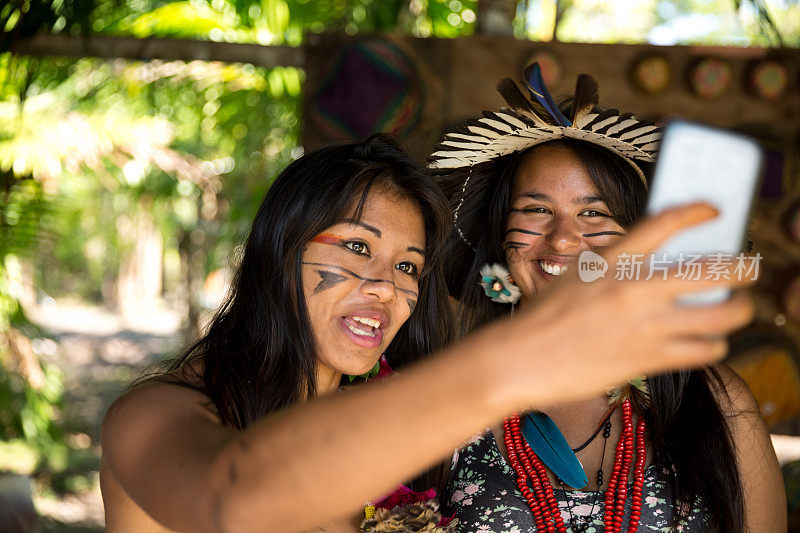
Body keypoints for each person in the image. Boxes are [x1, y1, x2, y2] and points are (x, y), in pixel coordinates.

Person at [101, 134, 755, 533]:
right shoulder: (156, 414)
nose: (388, 287)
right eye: (357, 247)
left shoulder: (388, 430)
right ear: (279, 249)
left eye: (409, 265)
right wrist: (513, 365)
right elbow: (233, 501)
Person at [430, 64, 786, 532]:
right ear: (500, 239)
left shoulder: (715, 404)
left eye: (594, 213)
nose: (562, 241)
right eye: (536, 210)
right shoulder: (441, 396)